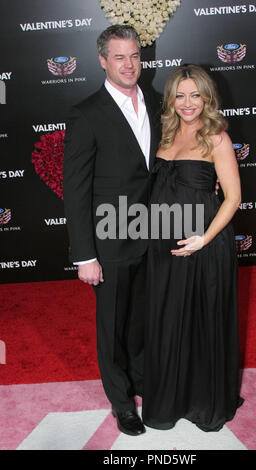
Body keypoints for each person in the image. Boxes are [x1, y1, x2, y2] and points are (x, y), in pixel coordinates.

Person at [63, 25, 160, 436]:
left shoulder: (155, 101)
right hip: (111, 239)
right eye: (119, 57)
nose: (129, 64)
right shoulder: (87, 113)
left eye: (135, 55)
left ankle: (142, 381)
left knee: (141, 320)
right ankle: (121, 402)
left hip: (153, 234)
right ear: (103, 61)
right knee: (113, 325)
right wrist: (85, 255)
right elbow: (76, 189)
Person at [142, 64, 244, 432]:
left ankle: (203, 401)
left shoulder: (216, 137)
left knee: (200, 325)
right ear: (171, 99)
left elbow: (232, 197)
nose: (188, 103)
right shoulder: (162, 134)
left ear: (207, 97)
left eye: (195, 95)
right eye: (180, 95)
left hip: (203, 248)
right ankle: (168, 399)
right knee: (167, 323)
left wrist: (203, 238)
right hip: (162, 249)